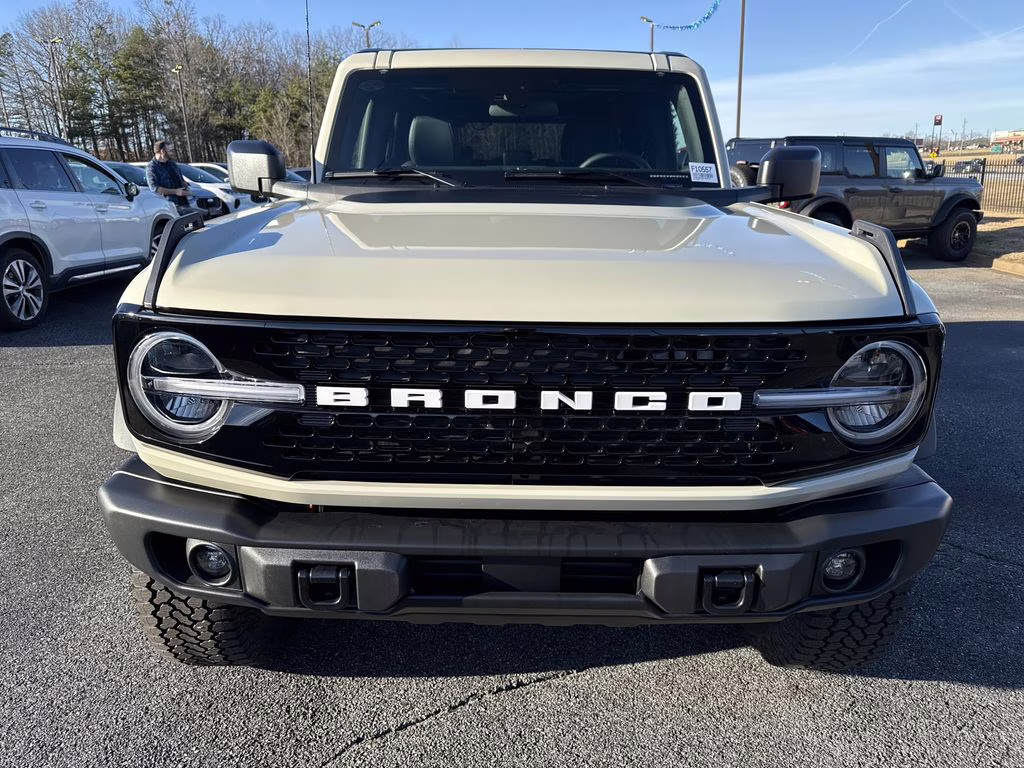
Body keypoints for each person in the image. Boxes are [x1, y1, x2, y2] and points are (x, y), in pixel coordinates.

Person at [146, 140, 191, 210]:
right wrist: (176, 192)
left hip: (184, 203)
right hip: (169, 206)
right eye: (169, 151)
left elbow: (181, 179)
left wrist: (185, 186)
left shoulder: (172, 164)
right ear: (162, 151)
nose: (172, 153)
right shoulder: (152, 167)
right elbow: (155, 188)